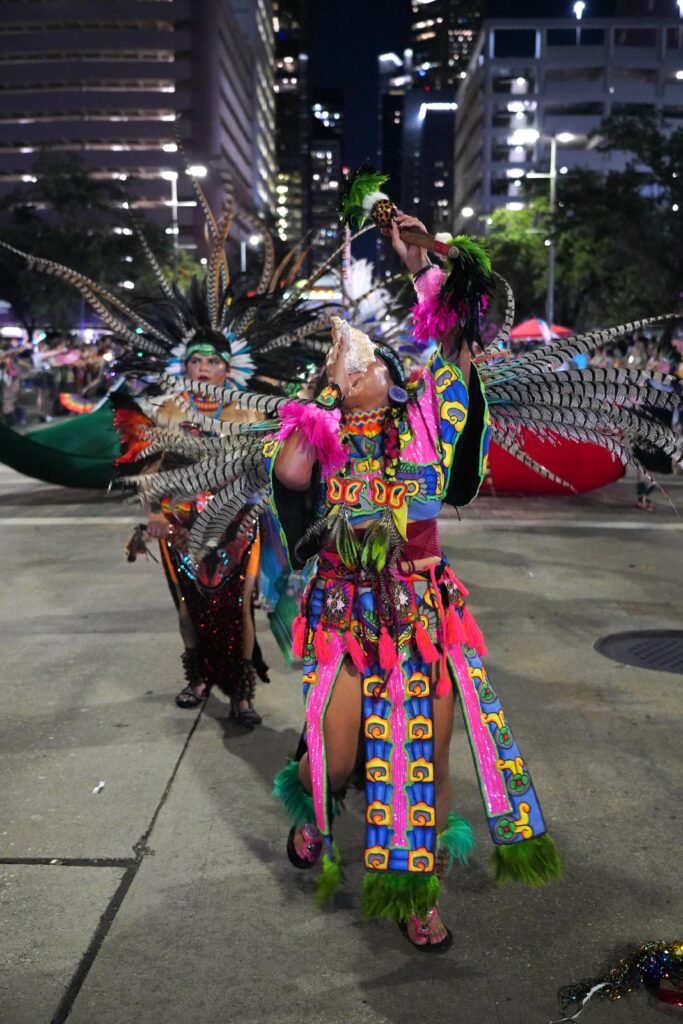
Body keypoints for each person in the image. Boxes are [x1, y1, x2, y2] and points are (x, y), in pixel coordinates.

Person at [268, 213, 562, 951]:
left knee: (424, 762)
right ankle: (315, 809)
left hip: (423, 619)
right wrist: (322, 396)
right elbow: (289, 476)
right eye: (346, 365)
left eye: (367, 360)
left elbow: (463, 328)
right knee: (336, 758)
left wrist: (418, 256)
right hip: (343, 615)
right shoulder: (324, 437)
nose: (356, 363)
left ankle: (414, 892)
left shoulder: (427, 420)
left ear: (399, 381)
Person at [119, 330, 268, 725]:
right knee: (189, 607)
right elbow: (150, 465)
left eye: (212, 361)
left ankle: (240, 694)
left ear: (227, 368)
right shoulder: (167, 409)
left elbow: (263, 469)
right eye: (195, 361)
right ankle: (199, 679)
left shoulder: (249, 411)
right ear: (183, 367)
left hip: (236, 522)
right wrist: (152, 514)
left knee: (241, 606)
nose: (203, 369)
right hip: (180, 523)